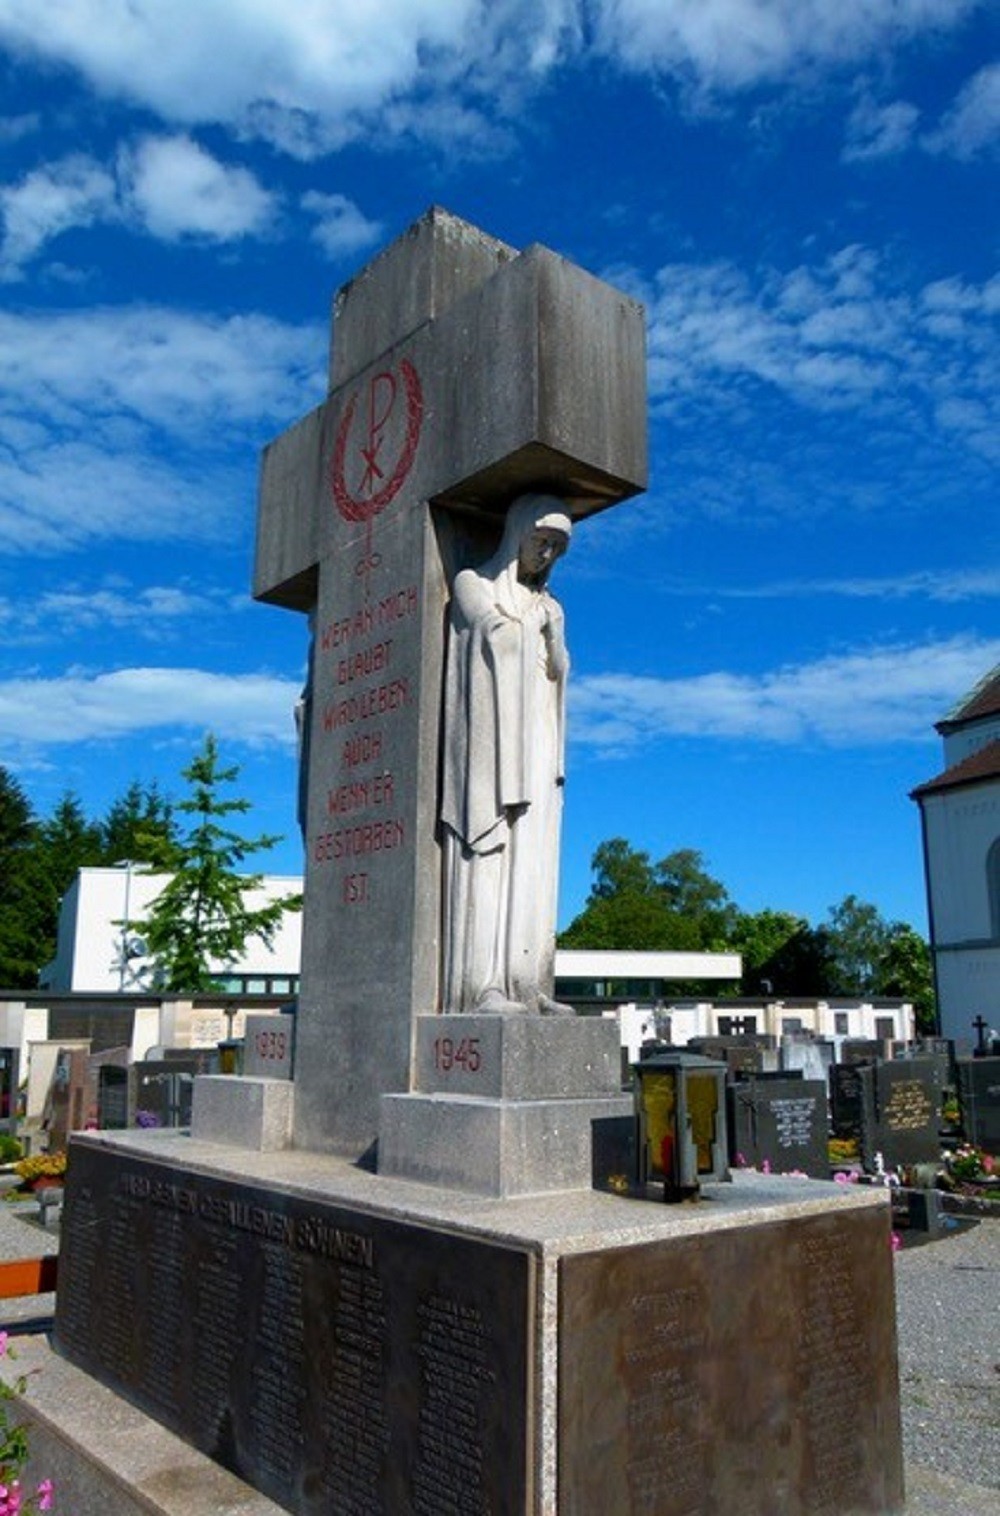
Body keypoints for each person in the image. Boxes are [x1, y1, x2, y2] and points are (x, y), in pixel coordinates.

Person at [440, 493, 575, 1015]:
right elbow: (486, 633)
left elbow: (557, 672)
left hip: (536, 741)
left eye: (556, 550)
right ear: (516, 531)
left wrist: (556, 638)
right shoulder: (473, 582)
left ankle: (527, 983)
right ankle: (483, 987)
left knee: (533, 862)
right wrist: (524, 629)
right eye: (541, 541)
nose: (546, 556)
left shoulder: (551, 605)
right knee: (489, 855)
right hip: (491, 749)